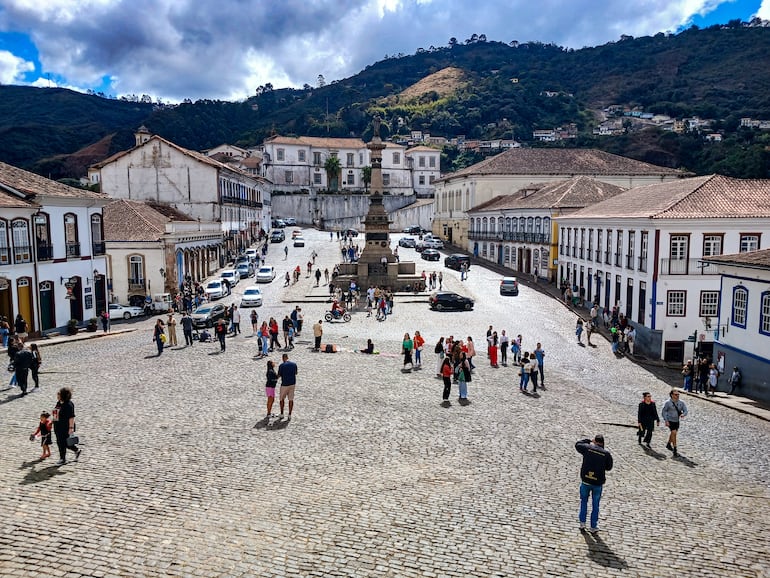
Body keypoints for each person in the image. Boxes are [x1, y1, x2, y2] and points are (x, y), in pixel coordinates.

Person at [575, 435, 613, 533]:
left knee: (584, 502)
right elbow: (609, 467)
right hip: (597, 483)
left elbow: (578, 444)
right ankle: (593, 526)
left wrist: (588, 441)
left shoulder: (587, 448)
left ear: (595, 441)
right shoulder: (606, 454)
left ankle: (582, 523)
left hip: (586, 481)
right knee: (595, 505)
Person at [52, 387, 80, 465]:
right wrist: (53, 421)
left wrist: (71, 428)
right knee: (60, 442)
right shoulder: (59, 402)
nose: (57, 396)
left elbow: (71, 417)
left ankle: (62, 459)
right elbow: (56, 412)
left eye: (59, 394)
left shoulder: (68, 405)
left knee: (63, 443)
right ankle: (76, 451)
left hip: (65, 427)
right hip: (58, 426)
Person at [661, 389, 688, 457]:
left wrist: (683, 414)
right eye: (676, 394)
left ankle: (669, 444)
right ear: (672, 395)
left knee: (673, 433)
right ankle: (675, 448)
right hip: (670, 420)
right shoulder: (668, 403)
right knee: (674, 433)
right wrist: (666, 420)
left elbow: (685, 410)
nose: (677, 396)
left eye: (678, 394)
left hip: (676, 421)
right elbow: (664, 412)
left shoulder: (681, 402)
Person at [277, 353, 298, 420]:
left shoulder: (281, 365)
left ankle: (282, 413)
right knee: (291, 399)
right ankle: (289, 414)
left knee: (282, 399)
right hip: (292, 384)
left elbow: (279, 375)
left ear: (283, 358)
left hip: (284, 384)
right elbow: (296, 373)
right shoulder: (294, 364)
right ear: (287, 357)